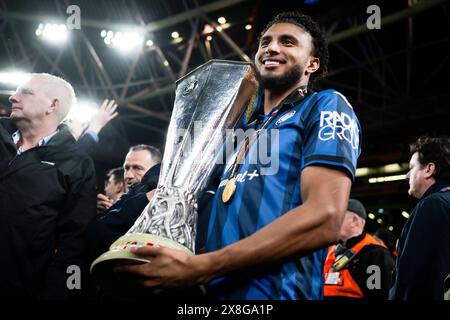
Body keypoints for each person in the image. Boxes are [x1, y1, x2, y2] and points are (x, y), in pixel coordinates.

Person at [115, 11, 362, 300]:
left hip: (280, 294)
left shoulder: (325, 105)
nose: (271, 48)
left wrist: (200, 267)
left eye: (288, 42)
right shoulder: (246, 130)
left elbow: (326, 216)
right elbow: (186, 173)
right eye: (265, 42)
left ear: (312, 63)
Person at [0, 73, 97, 299]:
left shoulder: (76, 165)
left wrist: (65, 293)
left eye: (26, 92)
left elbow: (75, 243)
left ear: (52, 105)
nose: (13, 97)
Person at [390, 136, 450, 300]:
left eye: (411, 168)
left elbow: (414, 277)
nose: (407, 176)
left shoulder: (432, 206)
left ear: (429, 169)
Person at [324, 199, 395, 300]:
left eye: (338, 217)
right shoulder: (327, 250)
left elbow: (378, 295)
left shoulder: (375, 254)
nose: (331, 222)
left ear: (354, 220)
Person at [96, 144, 161, 213]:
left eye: (138, 168)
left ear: (155, 171)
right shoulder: (116, 208)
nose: (128, 176)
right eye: (126, 168)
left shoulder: (161, 209)